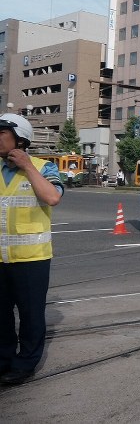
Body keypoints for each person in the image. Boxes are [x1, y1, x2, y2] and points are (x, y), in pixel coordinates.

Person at [0, 113, 63, 385]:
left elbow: (52, 197)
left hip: (32, 260)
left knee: (30, 315)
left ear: (20, 139)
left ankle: (25, 364)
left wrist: (28, 167)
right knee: (0, 317)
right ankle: (3, 361)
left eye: (2, 133)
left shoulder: (44, 167)